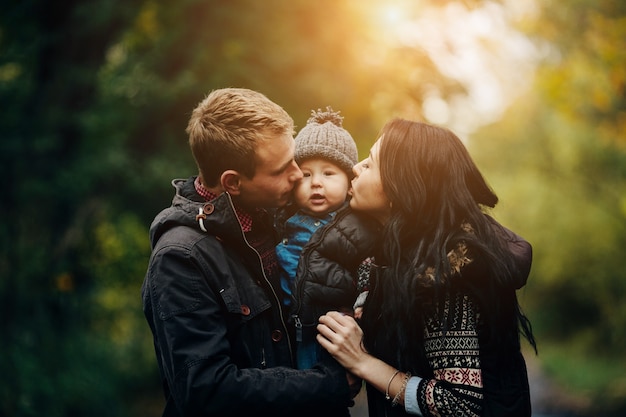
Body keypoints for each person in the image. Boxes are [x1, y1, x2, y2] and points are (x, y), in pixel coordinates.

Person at [141, 88, 355, 417]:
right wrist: (329, 384)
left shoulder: (277, 218)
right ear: (233, 183)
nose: (298, 175)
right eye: (282, 169)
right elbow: (206, 391)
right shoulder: (180, 259)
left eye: (294, 159)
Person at [316, 118, 537, 416]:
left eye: (370, 164)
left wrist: (362, 361)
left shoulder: (445, 272)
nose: (356, 168)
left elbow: (459, 403)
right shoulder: (396, 252)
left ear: (401, 187)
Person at [275, 107, 379, 369]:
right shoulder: (280, 219)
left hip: (327, 331)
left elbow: (371, 269)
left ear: (349, 181)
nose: (316, 183)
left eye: (329, 173)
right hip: (283, 329)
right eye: (306, 175)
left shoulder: (357, 224)